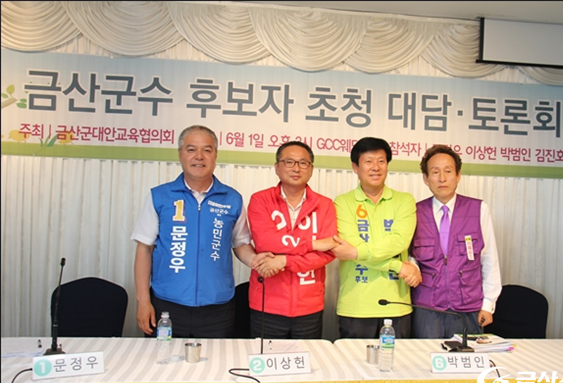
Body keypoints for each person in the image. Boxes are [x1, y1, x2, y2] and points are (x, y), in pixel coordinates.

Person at [131, 125, 267, 338]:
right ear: (180, 154)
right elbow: (144, 249)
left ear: (215, 155)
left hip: (218, 308)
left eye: (207, 150)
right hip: (167, 306)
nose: (199, 156)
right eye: (191, 149)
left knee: (215, 359)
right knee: (164, 359)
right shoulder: (160, 196)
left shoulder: (232, 199)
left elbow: (240, 244)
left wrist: (257, 261)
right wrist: (143, 301)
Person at [331, 137, 421, 339]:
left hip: (396, 305)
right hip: (356, 305)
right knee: (353, 360)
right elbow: (350, 245)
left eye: (381, 161)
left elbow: (399, 241)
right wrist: (397, 266)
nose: (376, 167)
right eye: (368, 161)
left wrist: (356, 252)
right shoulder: (342, 202)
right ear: (355, 167)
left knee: (398, 359)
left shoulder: (404, 200)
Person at [247, 141, 338, 339]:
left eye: (303, 163)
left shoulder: (325, 205)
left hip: (309, 305)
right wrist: (311, 244)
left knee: (306, 357)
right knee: (266, 357)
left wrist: (285, 260)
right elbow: (265, 243)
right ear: (277, 167)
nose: (296, 168)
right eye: (289, 162)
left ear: (311, 169)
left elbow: (328, 252)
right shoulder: (260, 200)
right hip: (267, 303)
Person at [410, 144, 502, 339]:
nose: (442, 178)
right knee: (425, 356)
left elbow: (489, 260)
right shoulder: (414, 212)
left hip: (468, 308)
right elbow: (410, 257)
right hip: (427, 309)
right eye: (435, 172)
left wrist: (488, 305)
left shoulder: (479, 209)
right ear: (426, 178)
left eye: (448, 171)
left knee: (466, 356)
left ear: (458, 175)